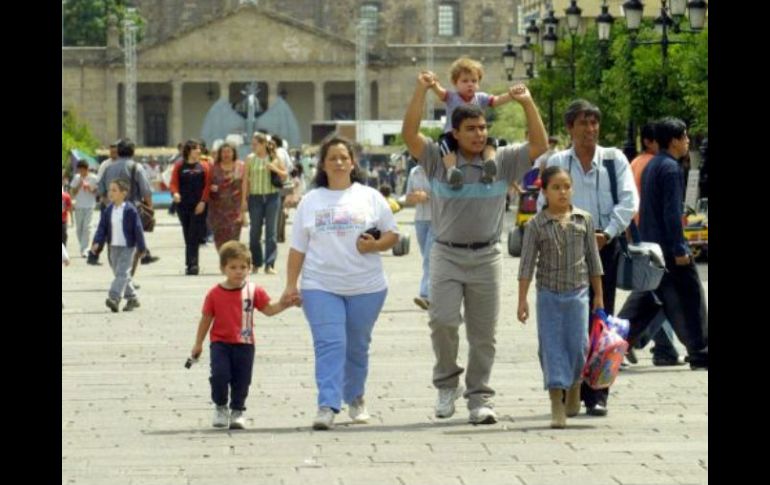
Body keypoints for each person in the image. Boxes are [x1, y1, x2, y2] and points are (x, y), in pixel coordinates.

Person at [402, 71, 547, 424]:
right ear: (455, 133)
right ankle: (446, 383)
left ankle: (480, 397)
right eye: (471, 130)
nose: (479, 134)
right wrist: (421, 91)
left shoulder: (502, 161)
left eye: (483, 129)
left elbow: (539, 146)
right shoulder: (438, 159)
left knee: (484, 334)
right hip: (447, 253)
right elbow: (410, 135)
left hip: (486, 256)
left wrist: (527, 102)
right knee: (442, 321)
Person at [281, 137, 399, 430]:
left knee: (356, 346)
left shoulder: (370, 196)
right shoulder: (311, 201)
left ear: (353, 162)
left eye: (344, 157)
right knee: (330, 344)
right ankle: (327, 404)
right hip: (320, 285)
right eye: (332, 158)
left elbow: (392, 234)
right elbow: (298, 247)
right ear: (322, 164)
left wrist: (374, 246)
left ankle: (355, 396)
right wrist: (290, 285)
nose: (338, 162)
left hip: (366, 286)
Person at [539, 99, 638, 418]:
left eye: (594, 122)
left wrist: (607, 233)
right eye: (583, 123)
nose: (590, 129)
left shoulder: (614, 160)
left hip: (603, 245)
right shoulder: (557, 160)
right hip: (564, 249)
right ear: (570, 128)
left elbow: (628, 200)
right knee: (566, 323)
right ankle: (569, 386)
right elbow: (548, 200)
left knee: (600, 318)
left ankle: (597, 391)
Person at [517, 166, 604, 428]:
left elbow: (593, 259)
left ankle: (575, 384)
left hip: (578, 293)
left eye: (566, 186)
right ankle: (556, 399)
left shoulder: (584, 220)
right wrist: (522, 300)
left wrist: (598, 294)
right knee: (552, 347)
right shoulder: (535, 225)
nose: (562, 192)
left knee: (579, 344)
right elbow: (526, 264)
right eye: (556, 187)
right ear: (544, 192)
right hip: (548, 295)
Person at [620, 117, 708, 371]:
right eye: (685, 137)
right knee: (691, 297)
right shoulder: (670, 168)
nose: (688, 141)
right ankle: (700, 351)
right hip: (669, 250)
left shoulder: (654, 165)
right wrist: (680, 248)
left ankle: (612, 343)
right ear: (674, 141)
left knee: (648, 301)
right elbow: (671, 213)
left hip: (654, 247)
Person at [190, 241, 297, 430]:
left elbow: (269, 310)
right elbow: (206, 319)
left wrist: (286, 303)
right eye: (233, 267)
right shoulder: (214, 293)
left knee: (242, 379)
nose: (238, 271)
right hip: (220, 344)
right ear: (223, 268)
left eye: (243, 267)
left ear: (249, 268)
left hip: (245, 344)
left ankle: (238, 410)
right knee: (219, 375)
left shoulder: (253, 291)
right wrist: (198, 343)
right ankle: (221, 406)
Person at [626, 122, 684, 367]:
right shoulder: (660, 166)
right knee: (656, 295)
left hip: (643, 234)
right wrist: (678, 245)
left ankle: (659, 346)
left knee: (655, 295)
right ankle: (629, 339)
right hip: (657, 239)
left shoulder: (640, 164)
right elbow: (667, 210)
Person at [423, 57, 521, 190]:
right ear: (455, 82)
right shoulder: (451, 97)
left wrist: (510, 95)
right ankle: (452, 171)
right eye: (465, 81)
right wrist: (432, 83)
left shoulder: (480, 98)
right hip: (453, 134)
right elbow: (439, 91)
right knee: (444, 144)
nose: (470, 84)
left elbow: (496, 100)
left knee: (492, 142)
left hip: (475, 136)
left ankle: (489, 164)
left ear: (479, 83)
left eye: (474, 81)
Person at [91, 179, 147, 313]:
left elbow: (138, 229)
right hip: (113, 247)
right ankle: (132, 298)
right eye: (110, 190)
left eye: (114, 190)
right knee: (121, 274)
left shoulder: (130, 210)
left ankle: (114, 297)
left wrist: (142, 248)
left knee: (122, 272)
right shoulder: (108, 210)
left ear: (124, 193)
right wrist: (97, 242)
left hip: (128, 247)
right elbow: (102, 228)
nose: (111, 193)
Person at [242, 133, 288, 275]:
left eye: (256, 144)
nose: (253, 147)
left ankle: (270, 264)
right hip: (255, 198)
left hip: (272, 197)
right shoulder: (250, 159)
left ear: (263, 144)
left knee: (271, 232)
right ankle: (256, 262)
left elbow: (285, 175)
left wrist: (274, 169)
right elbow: (245, 180)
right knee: (254, 232)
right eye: (253, 144)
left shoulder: (274, 158)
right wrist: (244, 199)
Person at [170, 139, 212, 275]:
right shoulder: (179, 165)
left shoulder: (204, 166)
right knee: (187, 233)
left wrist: (203, 201)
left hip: (199, 205)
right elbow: (173, 183)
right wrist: (175, 193)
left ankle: (193, 265)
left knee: (194, 233)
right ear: (189, 151)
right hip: (183, 205)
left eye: (199, 148)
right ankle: (190, 263)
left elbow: (207, 185)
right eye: (195, 148)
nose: (198, 151)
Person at [405, 163, 434, 310]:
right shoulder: (414, 172)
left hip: (437, 219)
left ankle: (426, 295)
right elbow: (407, 197)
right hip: (420, 220)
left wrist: (427, 196)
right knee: (427, 258)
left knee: (429, 258)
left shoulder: (439, 169)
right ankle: (438, 292)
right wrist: (414, 197)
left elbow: (448, 194)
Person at [207, 142, 245, 250]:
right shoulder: (213, 167)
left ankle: (231, 262)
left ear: (234, 153)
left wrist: (244, 207)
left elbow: (245, 186)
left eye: (229, 152)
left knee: (234, 240)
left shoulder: (241, 166)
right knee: (219, 240)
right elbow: (207, 185)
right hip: (217, 210)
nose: (226, 154)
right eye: (223, 152)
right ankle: (224, 262)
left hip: (235, 210)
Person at [70, 160, 99, 257]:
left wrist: (90, 188)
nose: (81, 172)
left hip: (90, 205)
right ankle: (83, 246)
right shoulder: (76, 177)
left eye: (82, 170)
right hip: (78, 205)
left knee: (87, 227)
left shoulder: (94, 178)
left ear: (87, 169)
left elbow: (97, 192)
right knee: (79, 229)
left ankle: (84, 249)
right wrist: (79, 185)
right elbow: (72, 192)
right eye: (79, 170)